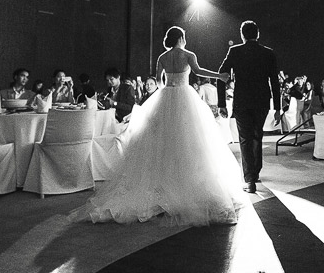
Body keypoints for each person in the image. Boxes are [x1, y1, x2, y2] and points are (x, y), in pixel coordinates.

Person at [71, 26, 240, 226]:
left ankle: (162, 184)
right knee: (190, 140)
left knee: (162, 141)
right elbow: (198, 71)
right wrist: (220, 76)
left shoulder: (163, 57)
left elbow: (159, 81)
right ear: (181, 38)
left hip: (166, 96)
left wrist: (168, 89)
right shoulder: (188, 55)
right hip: (185, 96)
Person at [216, 20, 281, 194]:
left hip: (242, 101)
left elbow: (221, 76)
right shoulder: (268, 53)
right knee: (257, 136)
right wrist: (278, 108)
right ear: (258, 34)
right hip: (262, 101)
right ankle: (255, 173)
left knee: (245, 138)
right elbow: (275, 82)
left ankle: (250, 179)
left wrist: (221, 103)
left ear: (242, 35)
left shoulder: (235, 51)